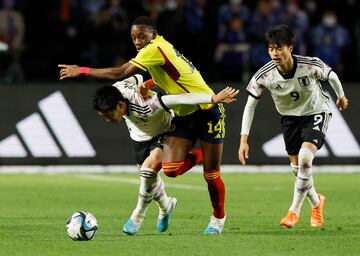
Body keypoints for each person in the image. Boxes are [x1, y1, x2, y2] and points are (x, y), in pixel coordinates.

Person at [59, 15, 230, 235]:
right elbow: (168, 77)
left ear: (153, 33)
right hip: (184, 113)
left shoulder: (154, 48)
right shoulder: (157, 49)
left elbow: (121, 72)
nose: (138, 41)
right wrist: (148, 83)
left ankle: (218, 218)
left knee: (211, 175)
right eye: (133, 38)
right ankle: (199, 156)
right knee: (170, 170)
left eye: (142, 36)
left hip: (208, 109)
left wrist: (82, 71)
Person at [93, 74, 238, 235]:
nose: (106, 119)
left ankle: (137, 215)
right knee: (148, 179)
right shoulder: (117, 89)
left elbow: (181, 99)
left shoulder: (148, 105)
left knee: (149, 171)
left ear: (120, 105)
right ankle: (165, 207)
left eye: (107, 115)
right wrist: (145, 84)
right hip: (139, 137)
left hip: (163, 131)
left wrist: (213, 98)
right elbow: (138, 76)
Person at [238, 24, 348, 228]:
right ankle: (317, 202)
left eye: (279, 48)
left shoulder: (309, 64)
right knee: (299, 170)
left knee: (306, 158)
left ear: (290, 47)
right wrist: (243, 140)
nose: (274, 53)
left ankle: (293, 211)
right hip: (289, 120)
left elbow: (331, 75)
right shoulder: (264, 75)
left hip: (316, 112)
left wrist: (340, 96)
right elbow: (250, 105)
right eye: (271, 49)